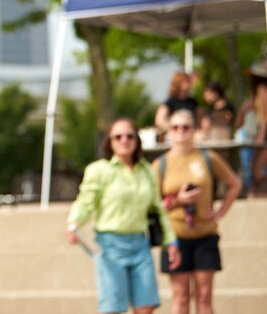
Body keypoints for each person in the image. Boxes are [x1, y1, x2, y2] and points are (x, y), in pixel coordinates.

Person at [66, 117, 181, 314]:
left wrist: (171, 241)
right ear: (109, 142)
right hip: (110, 247)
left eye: (129, 136)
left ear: (137, 140)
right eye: (117, 136)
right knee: (113, 309)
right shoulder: (99, 170)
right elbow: (85, 201)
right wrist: (74, 222)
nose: (124, 140)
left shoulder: (146, 170)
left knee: (145, 307)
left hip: (140, 244)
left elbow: (158, 209)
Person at [154, 109, 242, 314]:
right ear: (169, 131)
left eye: (186, 127)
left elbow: (234, 184)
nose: (181, 131)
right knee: (181, 297)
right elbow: (153, 204)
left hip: (205, 234)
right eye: (176, 127)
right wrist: (178, 200)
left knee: (204, 298)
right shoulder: (160, 164)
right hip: (174, 237)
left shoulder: (207, 157)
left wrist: (220, 212)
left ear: (194, 130)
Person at [155, 72, 199, 141]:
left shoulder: (193, 102)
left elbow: (201, 119)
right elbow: (160, 121)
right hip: (175, 139)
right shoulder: (170, 102)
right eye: (185, 81)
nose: (188, 83)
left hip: (192, 138)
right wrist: (173, 129)